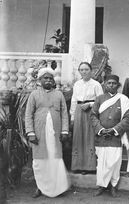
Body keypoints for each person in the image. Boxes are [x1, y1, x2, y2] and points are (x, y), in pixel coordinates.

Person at [25, 67, 70, 198]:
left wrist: (65, 130)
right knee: (40, 161)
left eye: (51, 78)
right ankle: (40, 187)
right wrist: (31, 132)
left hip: (55, 133)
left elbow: (64, 114)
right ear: (40, 80)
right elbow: (28, 115)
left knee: (55, 159)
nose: (49, 80)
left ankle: (57, 187)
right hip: (39, 132)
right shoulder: (34, 94)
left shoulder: (59, 94)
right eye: (46, 78)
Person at [90, 75, 129, 197]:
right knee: (102, 163)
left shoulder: (124, 99)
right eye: (109, 83)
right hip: (101, 137)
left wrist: (115, 130)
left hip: (115, 137)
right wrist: (101, 129)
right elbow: (93, 116)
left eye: (114, 83)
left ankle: (113, 185)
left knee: (115, 162)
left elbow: (128, 118)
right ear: (105, 84)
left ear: (118, 85)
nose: (111, 85)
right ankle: (101, 186)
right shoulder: (99, 99)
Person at [70, 62, 103, 174]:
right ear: (79, 71)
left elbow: (101, 101)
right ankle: (77, 165)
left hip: (90, 111)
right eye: (82, 70)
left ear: (91, 71)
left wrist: (89, 104)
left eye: (86, 69)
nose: (84, 72)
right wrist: (72, 116)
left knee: (89, 137)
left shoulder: (96, 84)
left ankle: (89, 167)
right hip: (79, 110)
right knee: (78, 137)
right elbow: (74, 100)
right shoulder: (77, 84)